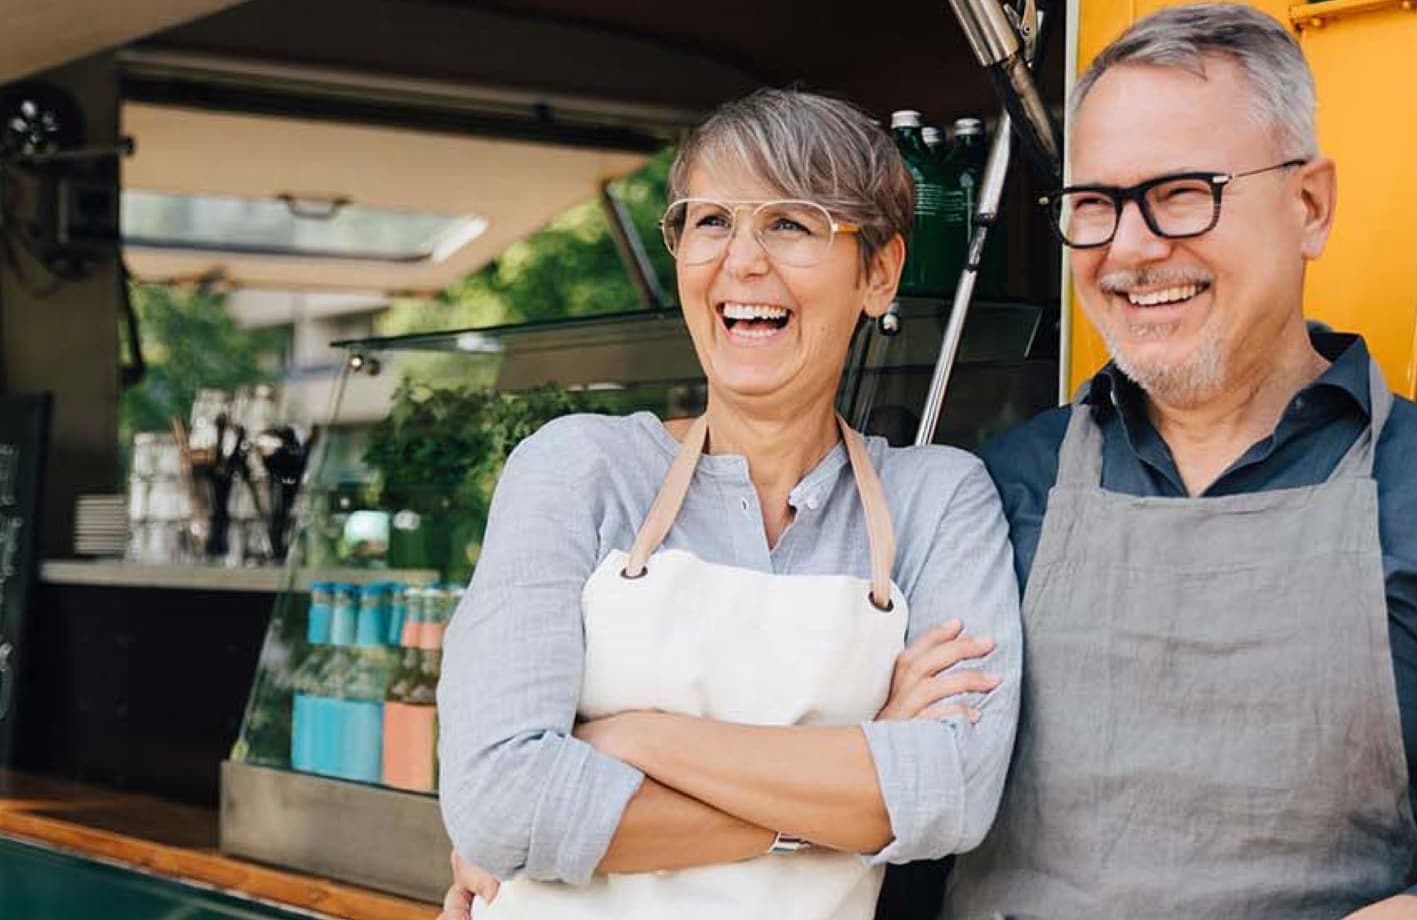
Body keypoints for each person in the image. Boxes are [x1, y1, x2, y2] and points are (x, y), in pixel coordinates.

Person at [940, 5, 1417, 918]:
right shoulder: (995, 491)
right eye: (1094, 204)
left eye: (1182, 192)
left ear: (1309, 205)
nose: (1129, 248)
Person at [433, 88, 1023, 920]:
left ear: (879, 272)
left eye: (791, 222)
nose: (742, 260)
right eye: (711, 221)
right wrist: (842, 792)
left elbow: (952, 795)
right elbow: (500, 805)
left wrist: (635, 738)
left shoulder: (937, 499)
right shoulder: (578, 470)